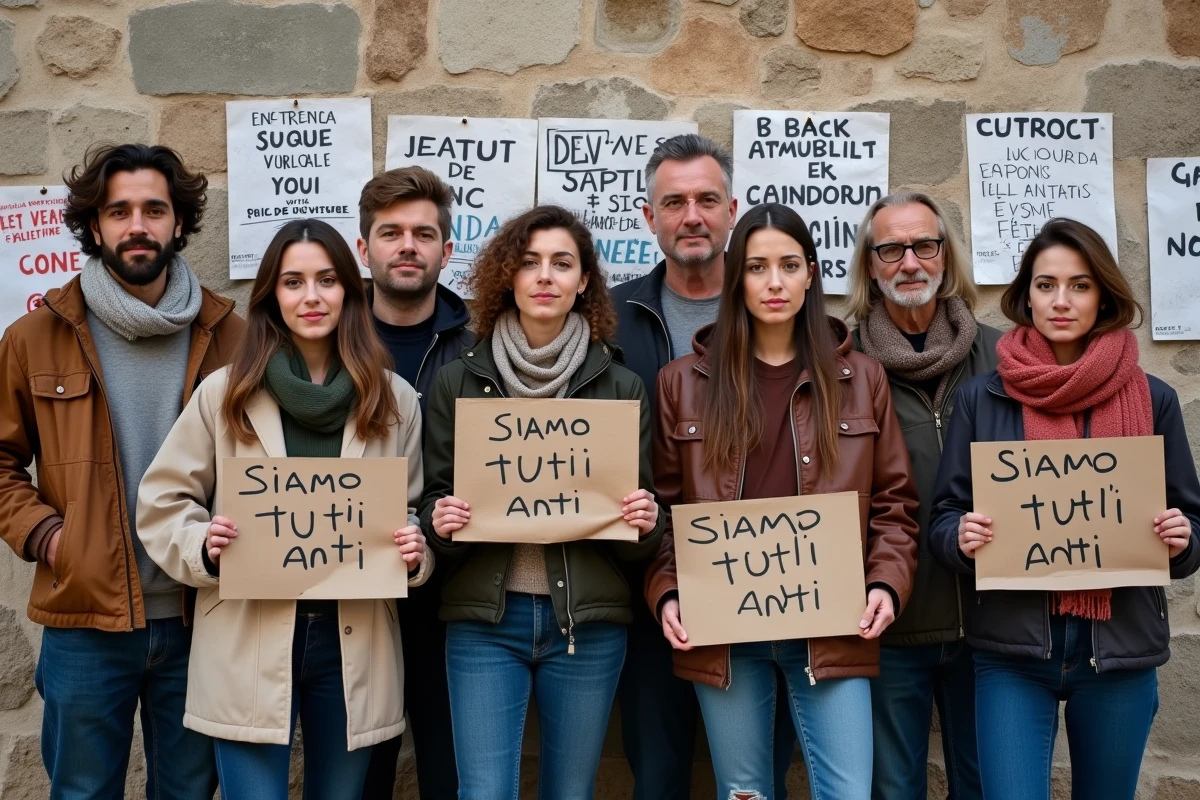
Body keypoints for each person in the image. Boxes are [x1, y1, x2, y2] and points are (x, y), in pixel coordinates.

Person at [136, 219, 433, 800]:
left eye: (326, 279)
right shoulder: (226, 393)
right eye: (293, 282)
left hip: (353, 637)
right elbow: (162, 501)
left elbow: (411, 508)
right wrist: (202, 545)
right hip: (247, 634)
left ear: (349, 288)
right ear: (272, 294)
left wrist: (415, 549)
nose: (312, 296)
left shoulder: (394, 399)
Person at [646, 202, 920, 800]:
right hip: (724, 628)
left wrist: (884, 584)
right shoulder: (682, 382)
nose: (774, 282)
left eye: (789, 265)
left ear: (812, 274)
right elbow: (664, 512)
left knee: (847, 791)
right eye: (757, 266)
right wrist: (667, 591)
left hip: (833, 622)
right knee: (744, 793)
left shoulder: (862, 378)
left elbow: (896, 505)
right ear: (735, 276)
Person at [0, 143, 243, 799]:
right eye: (120, 210)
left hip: (203, 616)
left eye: (154, 209)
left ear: (178, 221)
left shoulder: (231, 337)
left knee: (190, 793)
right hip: (85, 623)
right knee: (82, 792)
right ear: (95, 225)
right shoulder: (35, 338)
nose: (138, 225)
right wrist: (50, 537)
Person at [929, 218, 1200, 800]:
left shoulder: (1154, 398)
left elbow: (1190, 523)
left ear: (1103, 294)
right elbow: (945, 513)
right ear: (1026, 293)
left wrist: (1182, 538)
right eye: (1046, 284)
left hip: (1120, 653)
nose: (1061, 300)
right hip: (1011, 653)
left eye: (1079, 285)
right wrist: (962, 536)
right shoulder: (985, 396)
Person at [420, 205, 664, 799]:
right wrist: (440, 521)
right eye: (530, 263)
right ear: (509, 276)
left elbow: (643, 535)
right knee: (483, 792)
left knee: (571, 792)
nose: (545, 276)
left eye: (562, 263)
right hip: (484, 623)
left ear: (584, 282)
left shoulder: (621, 385)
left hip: (588, 626)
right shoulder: (458, 380)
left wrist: (646, 522)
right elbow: (432, 500)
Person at [847, 192, 994, 800]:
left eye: (924, 245)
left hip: (991, 625)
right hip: (887, 624)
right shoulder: (844, 365)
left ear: (945, 256)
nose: (910, 262)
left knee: (984, 782)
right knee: (893, 787)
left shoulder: (1003, 356)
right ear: (870, 264)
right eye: (891, 249)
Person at [357, 166, 473, 799]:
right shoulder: (326, 343)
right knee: (359, 771)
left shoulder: (480, 351)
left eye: (423, 234)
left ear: (446, 251)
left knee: (449, 767)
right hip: (351, 593)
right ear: (364, 247)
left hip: (454, 599)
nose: (407, 246)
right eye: (390, 232)